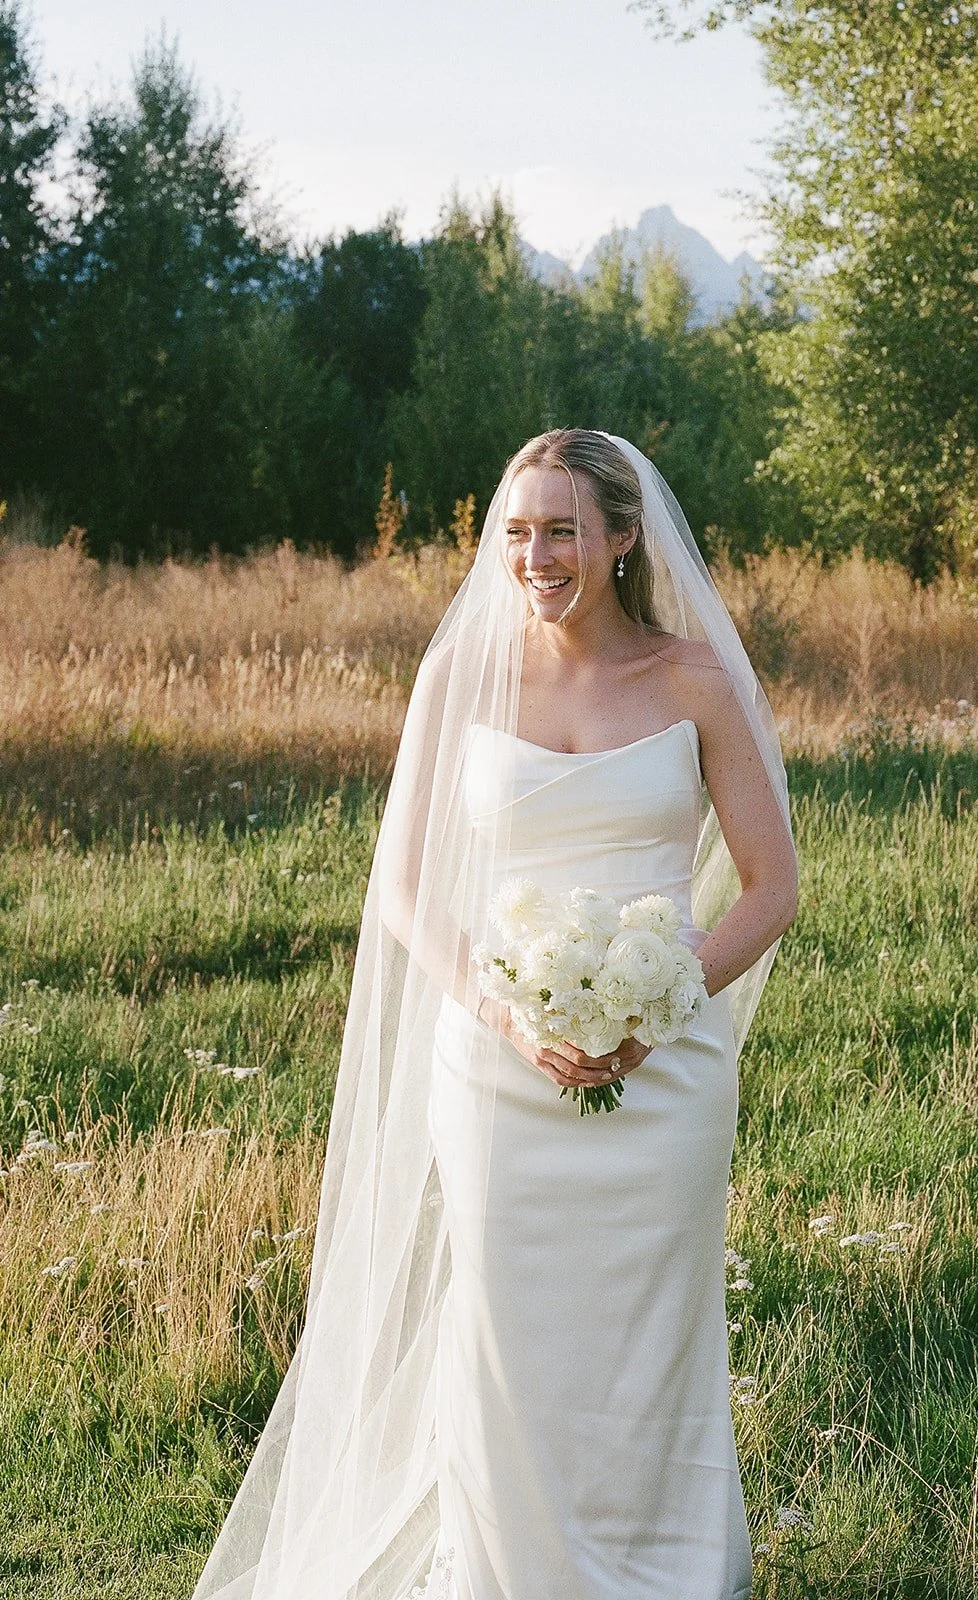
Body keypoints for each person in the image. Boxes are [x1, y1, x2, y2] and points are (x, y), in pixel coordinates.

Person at [190, 430, 798, 1600]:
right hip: (496, 1069)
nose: (535, 555)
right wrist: (507, 1019)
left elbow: (770, 886)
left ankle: (659, 1571)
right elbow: (404, 885)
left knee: (646, 1342)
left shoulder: (693, 681)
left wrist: (659, 1007)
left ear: (622, 538)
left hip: (662, 1079)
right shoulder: (458, 673)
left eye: (562, 528)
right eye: (516, 531)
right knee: (503, 1337)